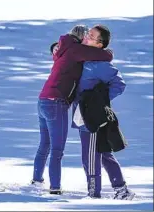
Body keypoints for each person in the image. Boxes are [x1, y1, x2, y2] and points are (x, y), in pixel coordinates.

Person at [32, 25, 113, 195]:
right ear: (80, 38)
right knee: (57, 149)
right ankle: (55, 188)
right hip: (56, 102)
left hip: (43, 100)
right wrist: (109, 53)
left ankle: (37, 180)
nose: (87, 39)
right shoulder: (76, 50)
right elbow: (103, 54)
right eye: (86, 36)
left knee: (44, 144)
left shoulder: (64, 47)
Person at [70, 25, 135, 200]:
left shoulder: (100, 65)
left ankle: (93, 196)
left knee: (90, 157)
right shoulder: (84, 57)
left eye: (91, 36)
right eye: (87, 34)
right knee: (103, 152)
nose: (86, 37)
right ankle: (121, 190)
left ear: (99, 44)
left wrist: (99, 102)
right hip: (83, 114)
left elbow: (119, 84)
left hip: (91, 117)